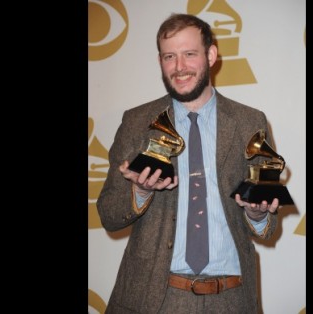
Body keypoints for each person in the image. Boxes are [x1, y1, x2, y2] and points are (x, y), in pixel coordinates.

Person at [97, 13, 281, 314]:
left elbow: (268, 228)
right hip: (155, 298)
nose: (179, 67)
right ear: (160, 61)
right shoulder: (136, 122)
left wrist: (258, 214)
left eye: (189, 54)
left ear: (210, 55)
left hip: (232, 299)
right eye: (169, 56)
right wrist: (140, 192)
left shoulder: (251, 122)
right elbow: (108, 214)